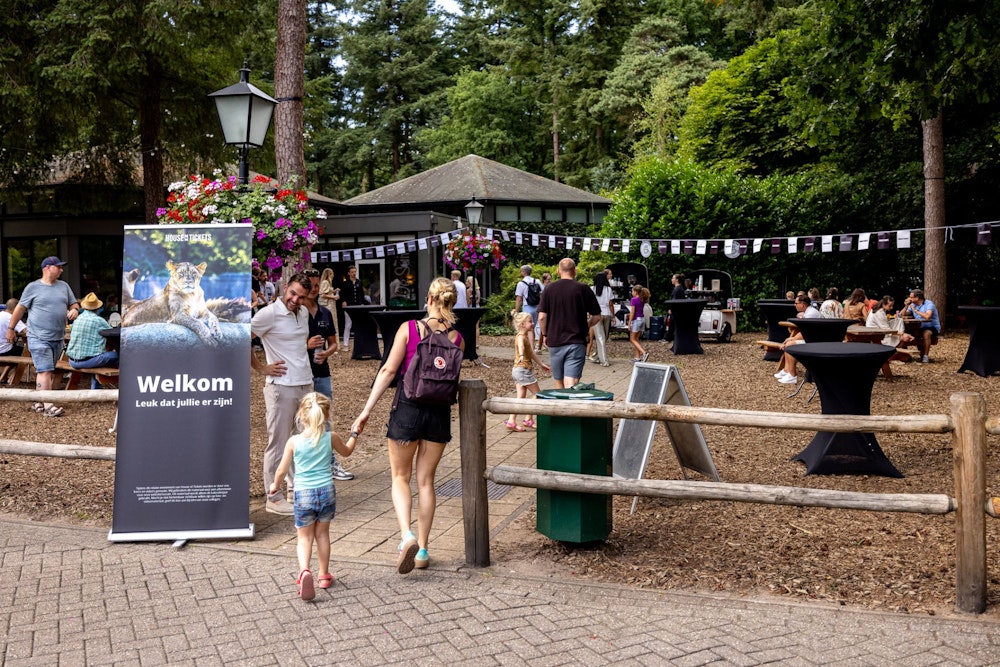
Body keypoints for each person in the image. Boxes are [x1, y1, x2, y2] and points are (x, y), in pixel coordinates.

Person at [351, 278, 464, 574]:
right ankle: (424, 549)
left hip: (407, 410)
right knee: (426, 482)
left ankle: (406, 536)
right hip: (438, 415)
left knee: (400, 477)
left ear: (428, 298)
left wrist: (365, 411)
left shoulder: (410, 329)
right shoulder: (457, 339)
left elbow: (389, 370)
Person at [269, 392, 357, 600]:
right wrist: (354, 434)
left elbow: (282, 470)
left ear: (301, 414)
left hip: (303, 494)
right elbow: (347, 452)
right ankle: (324, 575)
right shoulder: (331, 437)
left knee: (304, 537)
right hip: (326, 491)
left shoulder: (294, 441)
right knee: (323, 535)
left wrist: (274, 485)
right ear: (326, 416)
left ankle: (304, 571)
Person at [250, 273, 314, 515]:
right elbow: (243, 337)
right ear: (284, 287)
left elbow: (297, 344)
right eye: (293, 293)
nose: (295, 299)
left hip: (305, 383)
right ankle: (273, 496)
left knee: (303, 440)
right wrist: (260, 368)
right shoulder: (268, 313)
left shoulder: (304, 313)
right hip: (280, 386)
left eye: (301, 297)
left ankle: (296, 489)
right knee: (278, 442)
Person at [4, 256, 80, 417]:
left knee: (47, 370)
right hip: (37, 336)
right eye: (58, 267)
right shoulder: (32, 288)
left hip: (58, 337)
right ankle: (48, 405)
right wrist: (11, 328)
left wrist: (75, 310)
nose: (61, 269)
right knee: (45, 370)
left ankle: (38, 400)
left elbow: (74, 304)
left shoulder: (64, 286)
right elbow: (19, 309)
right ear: (47, 268)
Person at [302, 269, 352, 481]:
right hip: (300, 374)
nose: (314, 290)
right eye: (311, 286)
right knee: (303, 420)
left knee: (324, 418)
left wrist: (326, 352)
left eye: (316, 286)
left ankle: (329, 463)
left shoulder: (325, 313)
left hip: (322, 372)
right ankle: (306, 466)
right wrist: (306, 345)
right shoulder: (295, 313)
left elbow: (334, 344)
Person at [537, 258, 601, 389]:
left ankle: (560, 407)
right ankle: (570, 406)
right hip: (576, 341)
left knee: (558, 381)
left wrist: (545, 334)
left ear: (558, 271)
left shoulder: (549, 289)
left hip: (555, 340)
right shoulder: (583, 289)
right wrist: (586, 325)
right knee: (571, 382)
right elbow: (597, 316)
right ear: (575, 271)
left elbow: (542, 317)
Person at [504, 312, 550, 432]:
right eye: (530, 321)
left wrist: (541, 364)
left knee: (521, 397)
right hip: (523, 370)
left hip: (517, 370)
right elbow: (521, 347)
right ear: (522, 324)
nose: (533, 323)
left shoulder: (525, 336)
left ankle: (511, 421)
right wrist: (522, 355)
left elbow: (532, 353)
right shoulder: (521, 337)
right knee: (537, 394)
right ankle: (528, 419)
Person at [66, 292, 119, 389]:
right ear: (98, 308)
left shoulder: (78, 318)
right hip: (88, 362)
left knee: (97, 357)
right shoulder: (99, 321)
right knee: (120, 356)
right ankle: (123, 386)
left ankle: (95, 389)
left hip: (72, 361)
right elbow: (112, 333)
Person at [775, 294, 823, 384]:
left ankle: (792, 375)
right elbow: (805, 331)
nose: (794, 305)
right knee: (789, 342)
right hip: (812, 339)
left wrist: (791, 340)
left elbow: (806, 332)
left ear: (802, 304)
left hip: (815, 342)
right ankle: (787, 370)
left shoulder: (810, 314)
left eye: (796, 303)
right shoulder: (809, 312)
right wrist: (792, 338)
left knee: (789, 345)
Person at [903, 289, 940, 363]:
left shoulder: (929, 304)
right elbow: (902, 315)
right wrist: (906, 306)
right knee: (904, 333)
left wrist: (916, 311)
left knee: (926, 333)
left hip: (932, 326)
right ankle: (905, 355)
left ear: (917, 298)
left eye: (911, 297)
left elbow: (927, 316)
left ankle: (925, 356)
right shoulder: (912, 304)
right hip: (919, 327)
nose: (910, 299)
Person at [587, 271, 614, 367]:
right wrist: (613, 315)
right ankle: (600, 357)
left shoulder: (592, 289)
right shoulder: (608, 289)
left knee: (600, 337)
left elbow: (589, 303)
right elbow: (611, 304)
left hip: (596, 314)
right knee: (604, 337)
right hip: (607, 314)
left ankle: (603, 360)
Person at [511, 265, 541, 348]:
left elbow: (519, 298)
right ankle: (534, 346)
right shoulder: (537, 281)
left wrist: (516, 310)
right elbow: (542, 293)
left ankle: (530, 347)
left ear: (524, 272)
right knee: (533, 326)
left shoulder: (521, 283)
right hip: (537, 307)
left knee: (528, 328)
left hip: (527, 307)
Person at [339, 265, 365, 349]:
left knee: (359, 324)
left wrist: (362, 303)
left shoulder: (359, 282)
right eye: (352, 272)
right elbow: (342, 294)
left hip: (358, 305)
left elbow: (361, 294)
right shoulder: (345, 283)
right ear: (349, 273)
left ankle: (359, 343)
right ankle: (346, 344)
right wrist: (343, 301)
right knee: (348, 325)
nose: (354, 273)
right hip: (349, 306)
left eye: (355, 272)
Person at [317, 268, 341, 344]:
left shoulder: (328, 283)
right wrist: (334, 297)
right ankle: (328, 343)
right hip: (328, 305)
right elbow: (322, 294)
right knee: (329, 323)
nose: (333, 275)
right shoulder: (325, 282)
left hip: (331, 304)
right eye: (332, 274)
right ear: (329, 274)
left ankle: (333, 343)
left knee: (332, 322)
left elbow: (327, 292)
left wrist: (334, 291)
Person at [627, 284, 649, 363]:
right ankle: (637, 357)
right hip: (642, 319)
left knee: (632, 339)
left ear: (635, 292)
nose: (632, 292)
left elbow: (632, 312)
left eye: (632, 291)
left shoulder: (633, 300)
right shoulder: (642, 299)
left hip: (636, 320)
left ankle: (644, 353)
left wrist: (629, 323)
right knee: (636, 339)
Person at [537, 273, 552, 350]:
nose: (549, 281)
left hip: (549, 310)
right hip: (544, 310)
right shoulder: (542, 288)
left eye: (550, 279)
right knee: (543, 329)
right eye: (548, 279)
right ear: (544, 280)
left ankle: (541, 346)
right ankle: (540, 346)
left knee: (544, 329)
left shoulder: (551, 287)